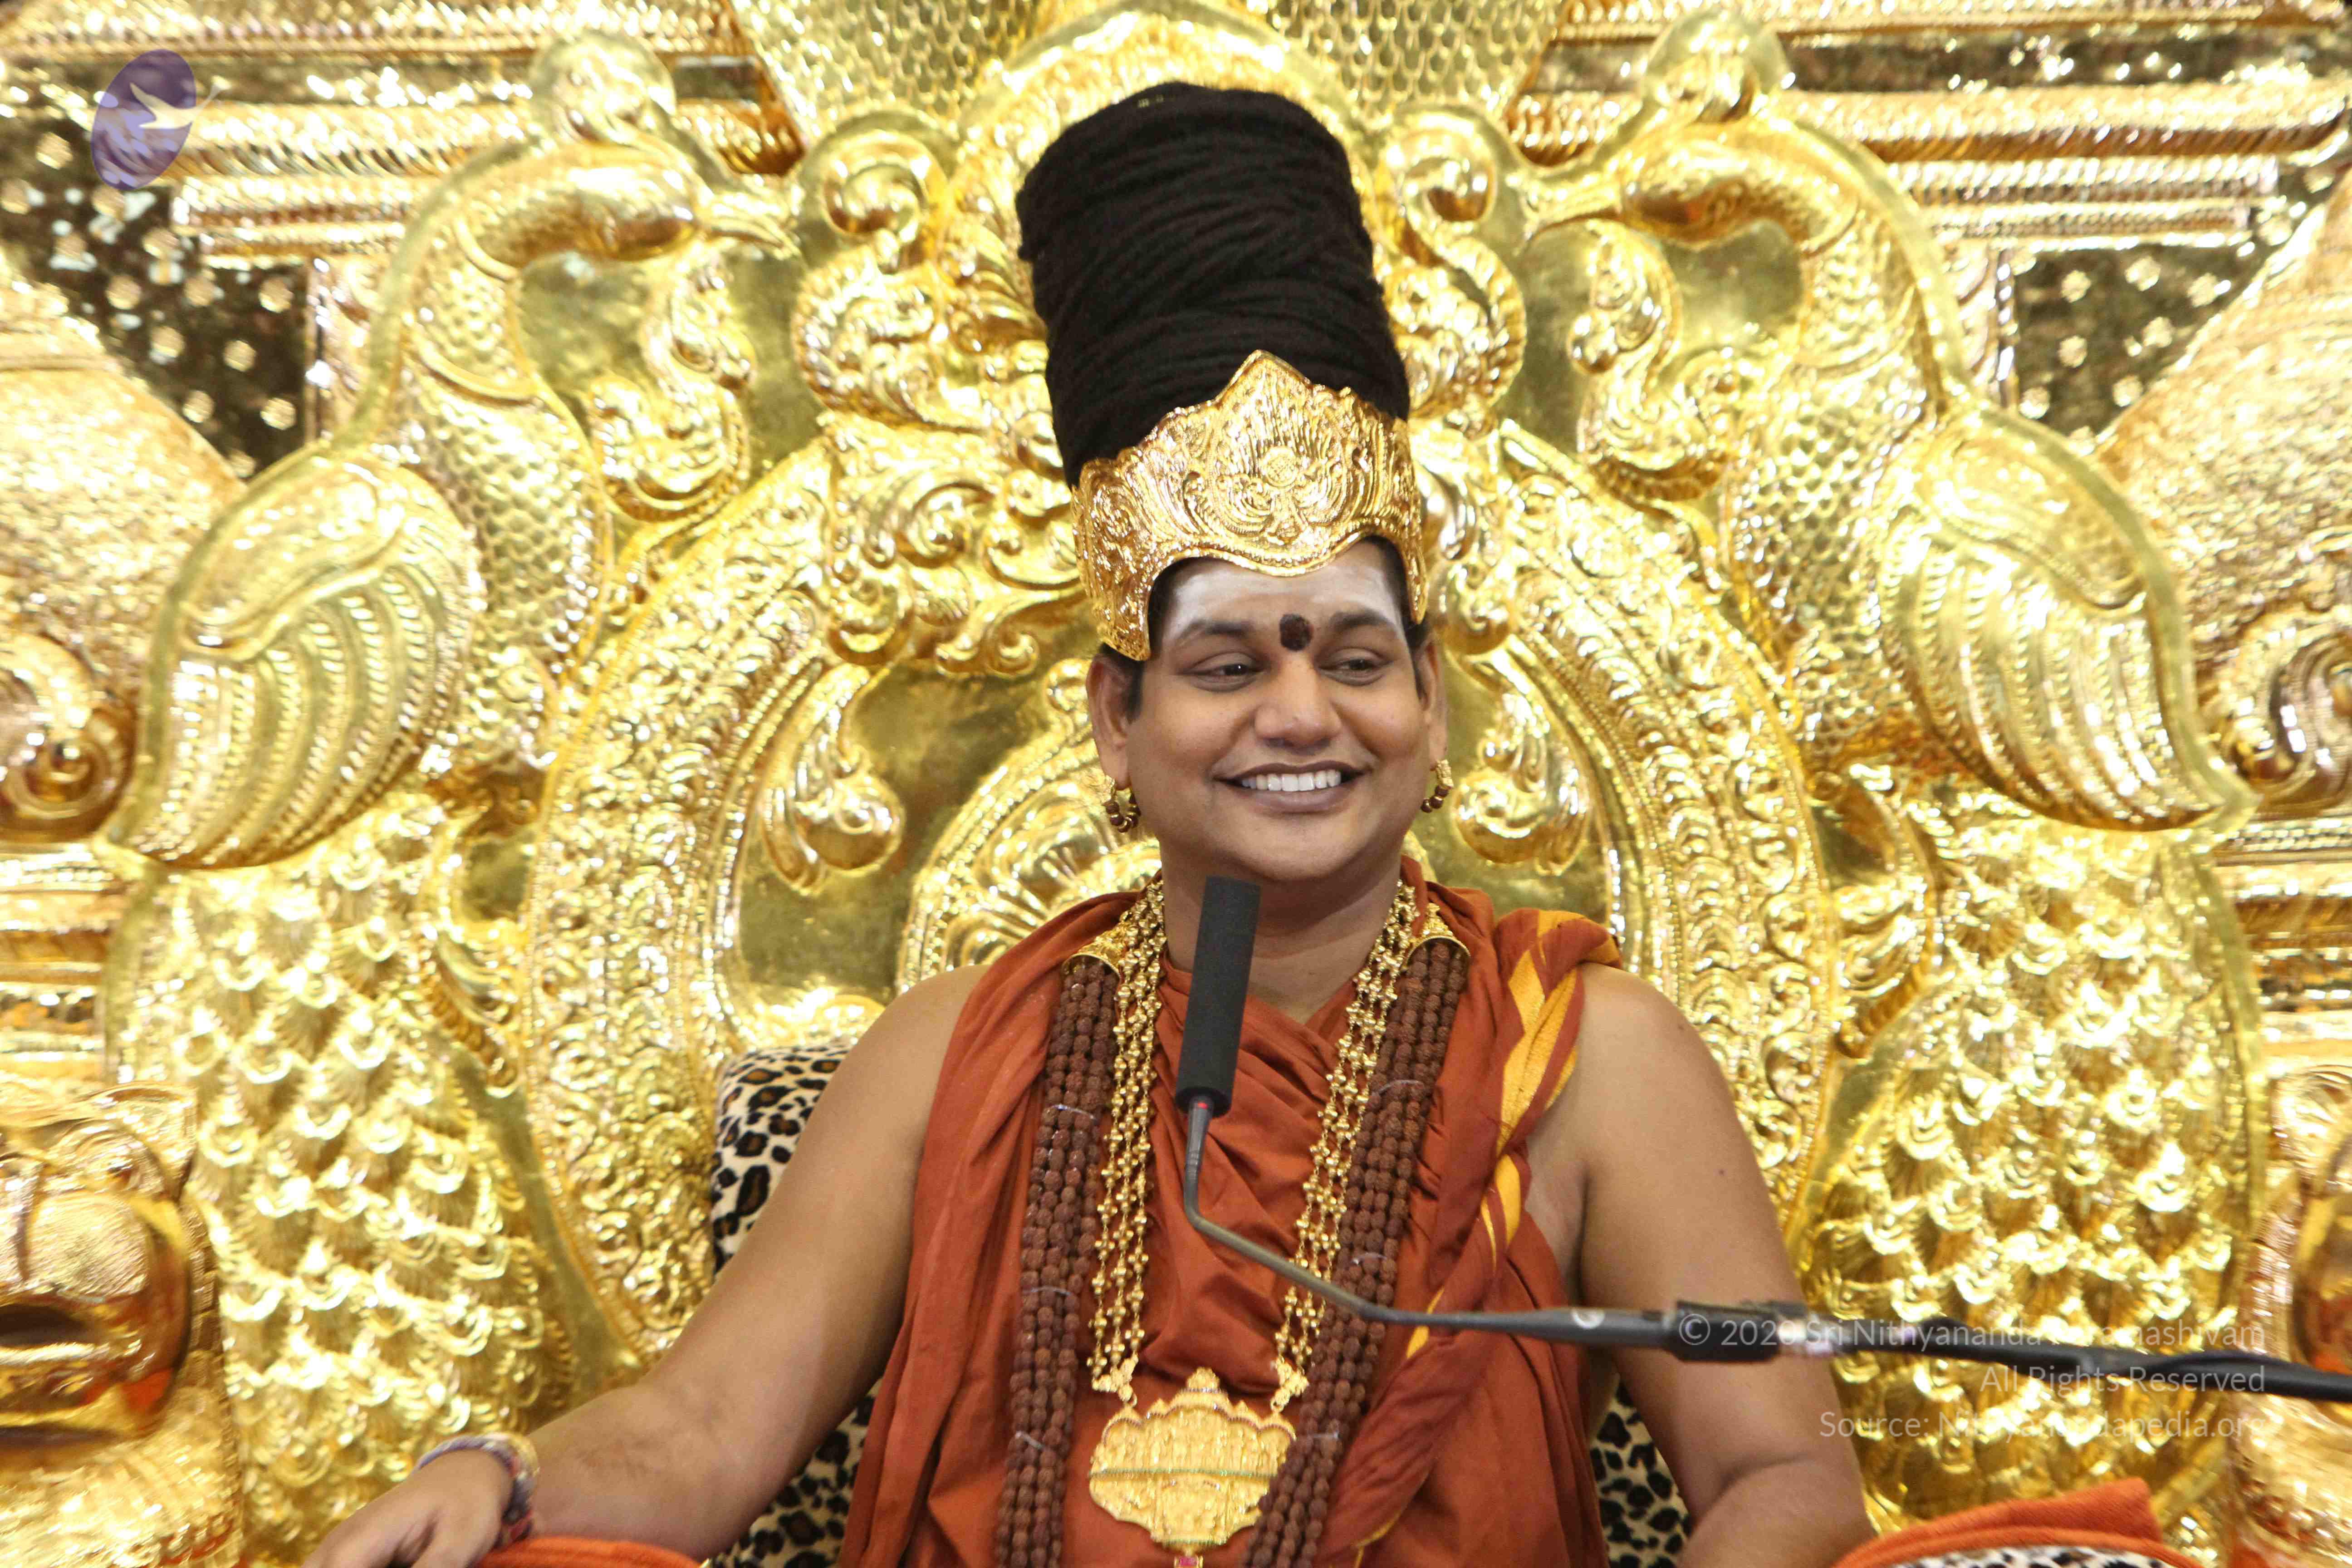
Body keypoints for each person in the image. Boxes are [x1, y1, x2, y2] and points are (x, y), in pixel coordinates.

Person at [303, 83, 1873, 1568]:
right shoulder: (950, 1056)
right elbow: (700, 1433)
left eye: (1354, 658)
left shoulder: (1586, 1058)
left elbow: (1784, 1474)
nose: (1302, 716)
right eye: (1225, 666)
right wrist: (496, 1475)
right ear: (1116, 720)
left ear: (1433, 703)